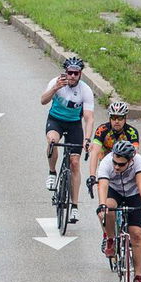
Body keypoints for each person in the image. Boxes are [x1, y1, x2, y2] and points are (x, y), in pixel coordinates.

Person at [94, 139, 141, 282]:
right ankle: (111, 239)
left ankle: (138, 277)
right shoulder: (107, 162)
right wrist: (102, 205)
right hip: (114, 191)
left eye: (121, 164)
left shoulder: (139, 161)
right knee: (108, 208)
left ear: (130, 160)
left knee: (137, 234)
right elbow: (103, 185)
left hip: (133, 192)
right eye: (115, 162)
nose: (116, 166)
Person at [42, 56, 96, 191]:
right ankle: (52, 172)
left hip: (74, 124)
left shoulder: (85, 90)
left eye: (75, 73)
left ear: (80, 74)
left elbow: (89, 118)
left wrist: (88, 139)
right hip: (56, 120)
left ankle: (74, 206)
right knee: (52, 140)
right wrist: (55, 88)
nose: (72, 76)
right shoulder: (56, 82)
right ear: (65, 72)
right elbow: (43, 100)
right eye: (69, 72)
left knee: (75, 163)